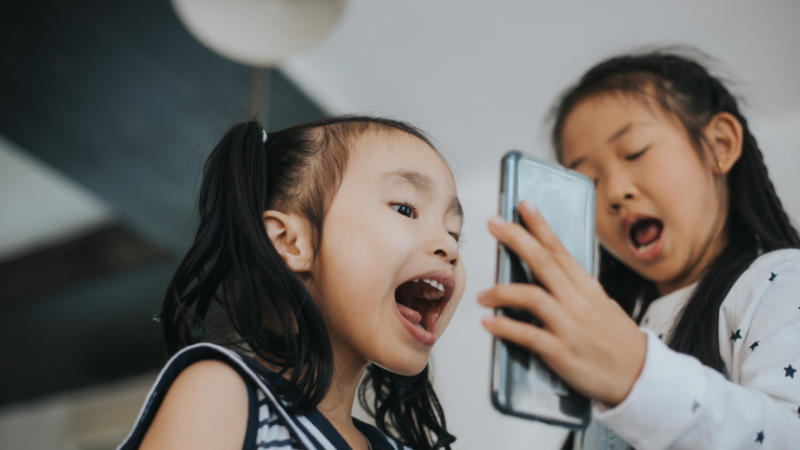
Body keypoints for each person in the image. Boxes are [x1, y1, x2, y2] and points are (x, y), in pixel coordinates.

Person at [479, 51, 800, 449]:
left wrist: (636, 372)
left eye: (635, 152)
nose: (615, 193)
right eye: (589, 181)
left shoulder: (781, 282)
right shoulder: (625, 328)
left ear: (720, 144)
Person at [118, 117, 466, 450]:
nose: (449, 246)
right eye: (405, 209)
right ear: (289, 242)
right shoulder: (223, 394)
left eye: (454, 233)